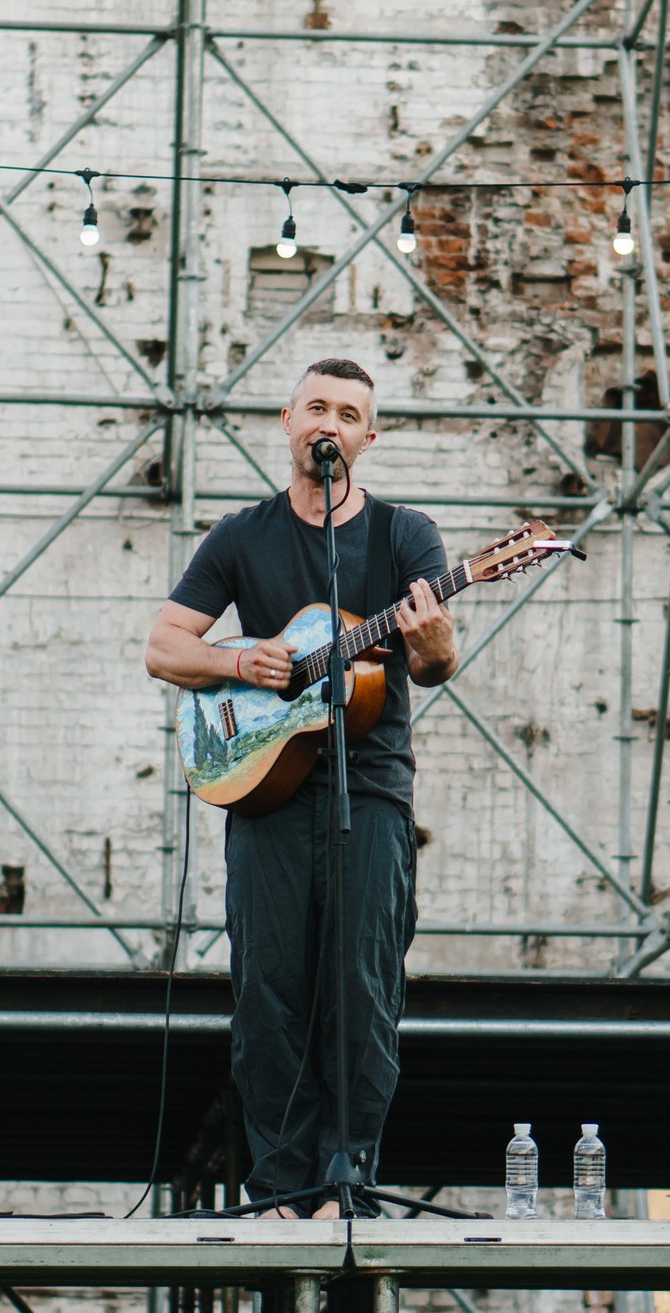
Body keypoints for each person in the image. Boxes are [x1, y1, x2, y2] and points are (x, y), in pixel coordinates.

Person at [144, 357, 455, 1218]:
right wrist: (241, 658)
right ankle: (280, 1184)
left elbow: (436, 665)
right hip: (266, 796)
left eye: (349, 413)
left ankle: (343, 1181)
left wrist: (428, 635)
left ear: (368, 436)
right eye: (316, 407)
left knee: (362, 992)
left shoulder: (405, 537)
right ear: (287, 420)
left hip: (374, 794)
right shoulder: (241, 536)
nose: (331, 424)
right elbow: (165, 647)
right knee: (270, 993)